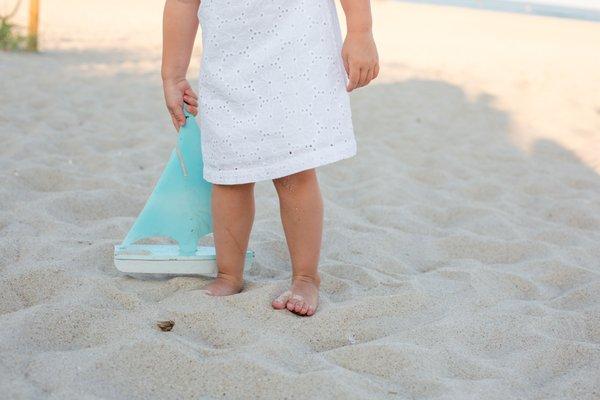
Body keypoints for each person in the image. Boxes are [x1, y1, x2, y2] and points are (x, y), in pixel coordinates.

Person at [161, 0, 379, 316]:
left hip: (296, 55)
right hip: (229, 66)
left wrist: (360, 31)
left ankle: (305, 276)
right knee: (228, 173)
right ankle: (229, 274)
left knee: (294, 171)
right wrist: (172, 75)